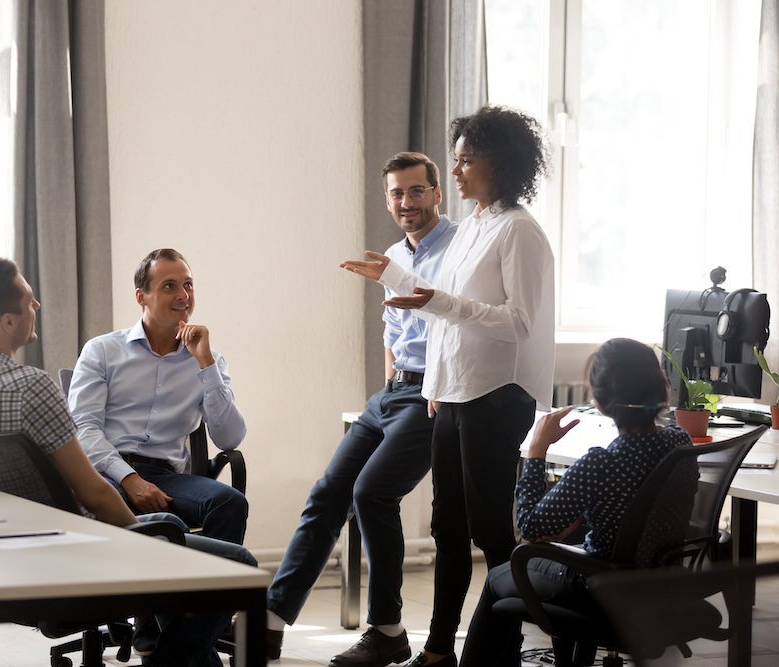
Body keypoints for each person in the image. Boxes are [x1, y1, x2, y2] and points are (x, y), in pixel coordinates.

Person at [0, 257, 256, 667]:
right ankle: (181, 653)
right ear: (8, 321)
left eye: (188, 284)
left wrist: (206, 365)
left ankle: (176, 646)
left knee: (219, 509)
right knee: (238, 565)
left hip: (6, 559)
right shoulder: (36, 383)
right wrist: (147, 536)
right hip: (76, 547)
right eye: (30, 300)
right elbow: (94, 491)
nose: (37, 306)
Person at [341, 106, 555, 667]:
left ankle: (499, 648)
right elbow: (439, 308)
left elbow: (518, 322)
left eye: (465, 161)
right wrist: (394, 280)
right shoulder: (476, 225)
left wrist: (435, 302)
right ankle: (438, 649)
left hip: (497, 396)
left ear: (499, 163)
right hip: (453, 394)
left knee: (491, 532)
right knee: (447, 529)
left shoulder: (519, 230)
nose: (455, 172)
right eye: (454, 160)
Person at [265, 152, 457, 666]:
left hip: (434, 395)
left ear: (437, 193)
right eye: (397, 193)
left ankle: (387, 630)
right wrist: (389, 379)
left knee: (372, 493)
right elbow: (392, 333)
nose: (406, 202)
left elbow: (458, 325)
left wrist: (431, 384)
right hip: (394, 393)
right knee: (327, 494)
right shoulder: (393, 255)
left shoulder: (460, 249)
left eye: (416, 191)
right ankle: (271, 622)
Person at [459, 338, 692, 666]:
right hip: (659, 584)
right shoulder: (679, 442)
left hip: (599, 588)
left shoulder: (601, 464)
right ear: (660, 388)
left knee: (500, 576)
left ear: (600, 400)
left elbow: (529, 528)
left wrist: (535, 451)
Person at [68, 248, 248, 545]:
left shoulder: (208, 359)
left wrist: (207, 365)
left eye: (188, 285)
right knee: (166, 524)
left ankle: (207, 591)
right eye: (169, 286)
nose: (183, 295)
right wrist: (129, 478)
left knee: (230, 503)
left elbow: (230, 439)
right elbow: (84, 430)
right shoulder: (102, 351)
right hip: (105, 472)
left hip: (166, 477)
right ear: (142, 296)